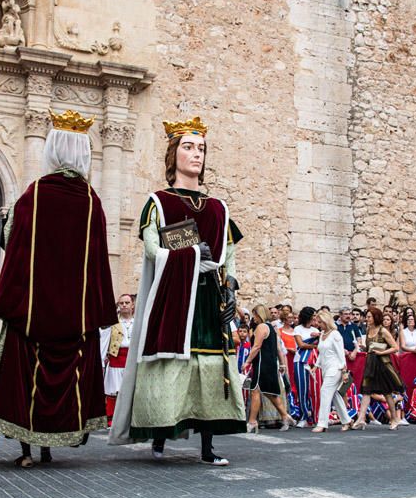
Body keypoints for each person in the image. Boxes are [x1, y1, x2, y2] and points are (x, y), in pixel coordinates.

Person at [0, 109, 117, 469]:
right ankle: (49, 448)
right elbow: (99, 260)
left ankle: (27, 449)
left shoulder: (34, 195)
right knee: (64, 379)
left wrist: (7, 220)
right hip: (75, 317)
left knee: (27, 381)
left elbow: (13, 242)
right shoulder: (91, 200)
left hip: (31, 314)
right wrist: (97, 309)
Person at [109, 115, 245, 467]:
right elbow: (154, 250)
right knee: (171, 366)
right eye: (188, 147)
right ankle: (158, 435)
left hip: (208, 301)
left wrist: (230, 287)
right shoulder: (159, 202)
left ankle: (207, 447)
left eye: (201, 148)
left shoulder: (218, 208)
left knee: (209, 371)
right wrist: (191, 256)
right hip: (174, 300)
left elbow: (229, 255)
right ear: (174, 155)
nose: (196, 155)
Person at [242, 305, 294, 433]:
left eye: (254, 315)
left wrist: (247, 361)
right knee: (268, 392)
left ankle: (252, 421)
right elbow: (278, 348)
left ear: (259, 314)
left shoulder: (261, 327)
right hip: (270, 363)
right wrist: (282, 363)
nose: (253, 318)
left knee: (255, 390)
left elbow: (256, 347)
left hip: (261, 363)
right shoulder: (271, 327)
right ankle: (285, 415)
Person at [352, 307, 404, 430]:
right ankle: (361, 418)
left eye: (369, 316)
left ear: (375, 317)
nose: (367, 319)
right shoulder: (369, 329)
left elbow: (395, 347)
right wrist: (363, 348)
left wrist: (382, 352)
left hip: (383, 364)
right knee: (366, 391)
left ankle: (395, 419)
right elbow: (370, 347)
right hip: (371, 363)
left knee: (387, 392)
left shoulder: (383, 331)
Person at [312, 310, 352, 433]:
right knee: (334, 395)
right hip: (326, 368)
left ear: (326, 321)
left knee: (324, 391)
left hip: (335, 368)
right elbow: (321, 352)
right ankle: (347, 420)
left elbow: (340, 353)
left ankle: (322, 423)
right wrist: (316, 366)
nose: (318, 324)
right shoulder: (323, 334)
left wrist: (344, 370)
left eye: (320, 322)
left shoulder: (335, 334)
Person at [100, 294, 135, 425]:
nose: (124, 305)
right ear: (118, 306)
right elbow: (103, 341)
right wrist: (102, 357)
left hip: (132, 360)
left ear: (132, 305)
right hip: (116, 358)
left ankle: (130, 420)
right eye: (121, 303)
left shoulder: (138, 322)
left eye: (127, 302)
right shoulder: (113, 323)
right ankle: (111, 419)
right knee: (113, 390)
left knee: (131, 391)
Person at [292, 306, 319, 428]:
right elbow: (301, 344)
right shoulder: (298, 329)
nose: (315, 318)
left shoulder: (316, 329)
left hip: (314, 361)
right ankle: (303, 415)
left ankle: (314, 415)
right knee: (302, 389)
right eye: (313, 315)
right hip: (301, 361)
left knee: (313, 389)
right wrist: (315, 345)